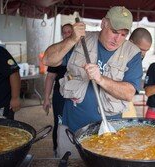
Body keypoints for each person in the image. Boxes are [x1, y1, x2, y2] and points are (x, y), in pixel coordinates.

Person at [43, 6, 143, 157]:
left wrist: (101, 79)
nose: (118, 39)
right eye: (114, 32)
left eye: (123, 34)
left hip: (108, 133)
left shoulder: (132, 53)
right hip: (71, 128)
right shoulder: (81, 41)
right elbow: (47, 59)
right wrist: (71, 39)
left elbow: (129, 93)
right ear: (104, 24)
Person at [42, 23, 73, 153]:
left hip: (76, 95)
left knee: (75, 122)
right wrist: (46, 98)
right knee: (59, 122)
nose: (67, 35)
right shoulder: (58, 52)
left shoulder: (82, 50)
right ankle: (57, 150)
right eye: (64, 32)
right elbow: (50, 77)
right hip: (59, 94)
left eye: (69, 32)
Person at [122, 27, 152, 118]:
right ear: (130, 42)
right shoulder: (117, 55)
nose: (143, 54)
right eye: (141, 49)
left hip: (127, 106)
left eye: (146, 50)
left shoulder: (137, 58)